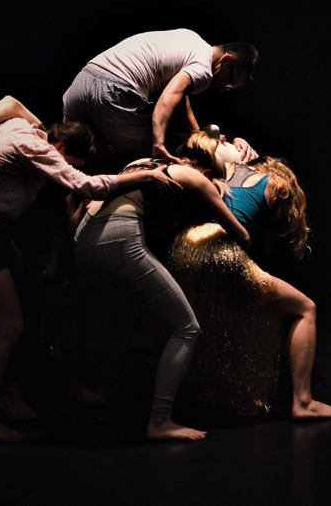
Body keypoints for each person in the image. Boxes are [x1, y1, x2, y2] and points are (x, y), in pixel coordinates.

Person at [0, 96, 178, 442]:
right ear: (59, 145)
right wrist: (146, 176)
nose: (62, 169)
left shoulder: (25, 125)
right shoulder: (37, 148)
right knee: (9, 324)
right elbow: (87, 185)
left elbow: (4, 105)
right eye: (69, 160)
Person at [72, 131, 251, 441]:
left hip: (84, 240)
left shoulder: (145, 161)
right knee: (186, 327)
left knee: (128, 308)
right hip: (120, 238)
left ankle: (105, 387)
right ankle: (160, 421)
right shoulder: (196, 178)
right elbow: (240, 233)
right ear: (208, 173)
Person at [168, 136, 331, 420]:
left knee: (207, 316)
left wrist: (236, 141)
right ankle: (304, 401)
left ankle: (197, 393)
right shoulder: (273, 183)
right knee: (305, 309)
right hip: (222, 249)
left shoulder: (219, 169)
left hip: (186, 247)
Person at [62, 28, 259, 165]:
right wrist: (157, 145)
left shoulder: (191, 39)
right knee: (149, 156)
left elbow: (180, 95)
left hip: (84, 79)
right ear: (226, 60)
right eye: (230, 82)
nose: (224, 88)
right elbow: (170, 96)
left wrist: (197, 133)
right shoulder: (204, 70)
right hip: (114, 90)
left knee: (79, 157)